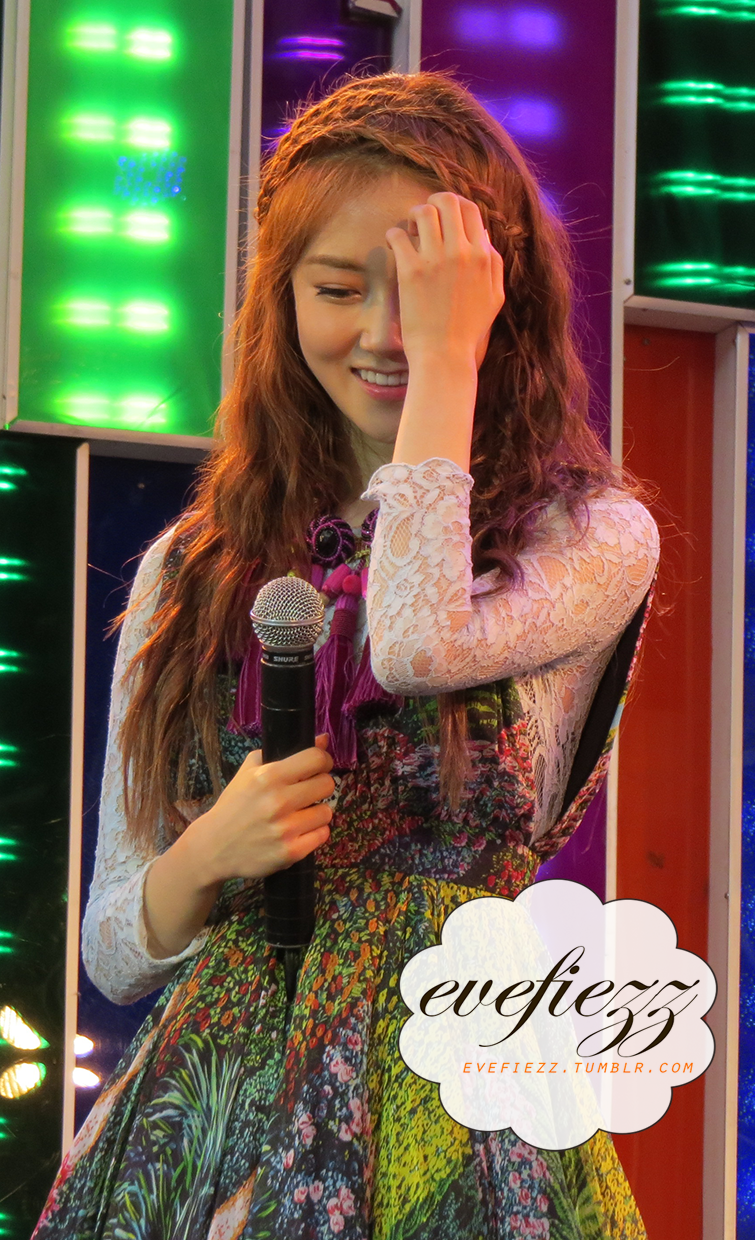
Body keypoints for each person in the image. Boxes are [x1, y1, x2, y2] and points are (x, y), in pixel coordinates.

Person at [33, 71, 659, 1239]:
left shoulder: (584, 534)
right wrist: (211, 851)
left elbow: (417, 640)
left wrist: (449, 367)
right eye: (334, 288)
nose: (381, 334)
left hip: (459, 1102)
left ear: (496, 299)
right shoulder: (190, 567)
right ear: (279, 299)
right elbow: (113, 949)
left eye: (421, 295)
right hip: (215, 1113)